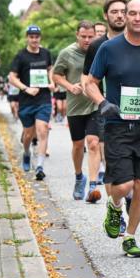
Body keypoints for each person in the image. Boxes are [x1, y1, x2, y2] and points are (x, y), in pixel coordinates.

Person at [85, 0, 140, 258]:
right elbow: (91, 82)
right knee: (124, 185)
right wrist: (102, 103)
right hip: (117, 125)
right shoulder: (108, 49)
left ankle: (130, 236)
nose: (137, 18)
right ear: (125, 17)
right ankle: (115, 207)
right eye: (132, 13)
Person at [53, 20, 103, 203]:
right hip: (75, 106)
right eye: (83, 36)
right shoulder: (67, 53)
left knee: (93, 143)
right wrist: (69, 86)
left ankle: (93, 185)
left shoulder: (100, 51)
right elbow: (56, 75)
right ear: (77, 35)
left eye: (91, 36)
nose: (87, 40)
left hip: (95, 104)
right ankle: (79, 176)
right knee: (78, 145)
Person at [83, 0, 128, 189]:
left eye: (123, 12)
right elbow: (86, 78)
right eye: (114, 12)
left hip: (134, 110)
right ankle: (102, 190)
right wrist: (99, 100)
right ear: (105, 15)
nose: (119, 16)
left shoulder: (139, 42)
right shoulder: (97, 46)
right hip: (106, 108)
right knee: (106, 152)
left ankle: (126, 194)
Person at [8, 24, 54, 180]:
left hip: (44, 98)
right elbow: (12, 77)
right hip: (27, 101)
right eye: (31, 37)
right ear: (27, 38)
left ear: (40, 38)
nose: (34, 40)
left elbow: (50, 69)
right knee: (28, 134)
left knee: (42, 130)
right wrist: (26, 88)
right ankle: (27, 153)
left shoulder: (46, 53)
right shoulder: (21, 56)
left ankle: (40, 166)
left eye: (37, 37)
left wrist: (52, 81)